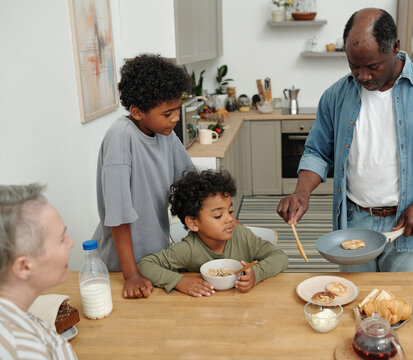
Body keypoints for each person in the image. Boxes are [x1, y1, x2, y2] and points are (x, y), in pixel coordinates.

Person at [277, 8, 413, 272]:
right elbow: (317, 152)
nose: (362, 76)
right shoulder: (335, 96)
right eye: (353, 66)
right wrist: (302, 192)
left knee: (404, 306)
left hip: (409, 223)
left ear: (395, 47)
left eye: (372, 66)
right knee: (354, 305)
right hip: (354, 221)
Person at [91, 54, 194, 299]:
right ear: (137, 112)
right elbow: (117, 216)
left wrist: (222, 216)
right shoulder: (120, 137)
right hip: (123, 268)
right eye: (167, 113)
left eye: (177, 110)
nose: (176, 118)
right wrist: (131, 275)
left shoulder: (166, 133)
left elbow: (190, 182)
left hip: (153, 261)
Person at [137, 169, 288, 297]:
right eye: (218, 216)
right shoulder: (189, 249)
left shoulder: (242, 236)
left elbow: (280, 257)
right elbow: (145, 265)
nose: (230, 219)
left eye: (230, 211)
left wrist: (256, 274)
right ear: (194, 223)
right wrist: (179, 281)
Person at [0, 184, 77, 359]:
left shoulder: (21, 315)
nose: (71, 242)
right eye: (61, 239)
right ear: (24, 267)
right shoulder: (22, 350)